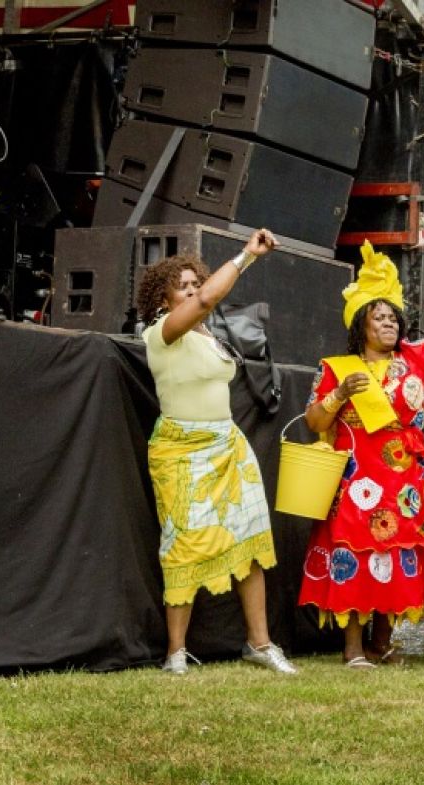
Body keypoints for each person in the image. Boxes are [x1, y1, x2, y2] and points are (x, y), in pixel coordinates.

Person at [298, 240, 424, 668]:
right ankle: (353, 649)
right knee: (357, 557)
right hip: (359, 482)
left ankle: (383, 644)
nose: (389, 323)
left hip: (406, 483)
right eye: (379, 317)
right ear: (360, 323)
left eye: (393, 316)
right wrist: (339, 395)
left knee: (398, 557)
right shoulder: (336, 369)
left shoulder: (416, 359)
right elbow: (314, 423)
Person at [136, 229, 297, 676]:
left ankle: (259, 644)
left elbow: (210, 308)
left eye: (194, 282)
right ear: (164, 299)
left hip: (227, 446)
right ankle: (174, 652)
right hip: (181, 450)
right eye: (181, 286)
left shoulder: (211, 338)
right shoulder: (162, 334)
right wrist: (247, 256)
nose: (191, 290)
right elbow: (206, 300)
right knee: (184, 547)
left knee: (247, 543)